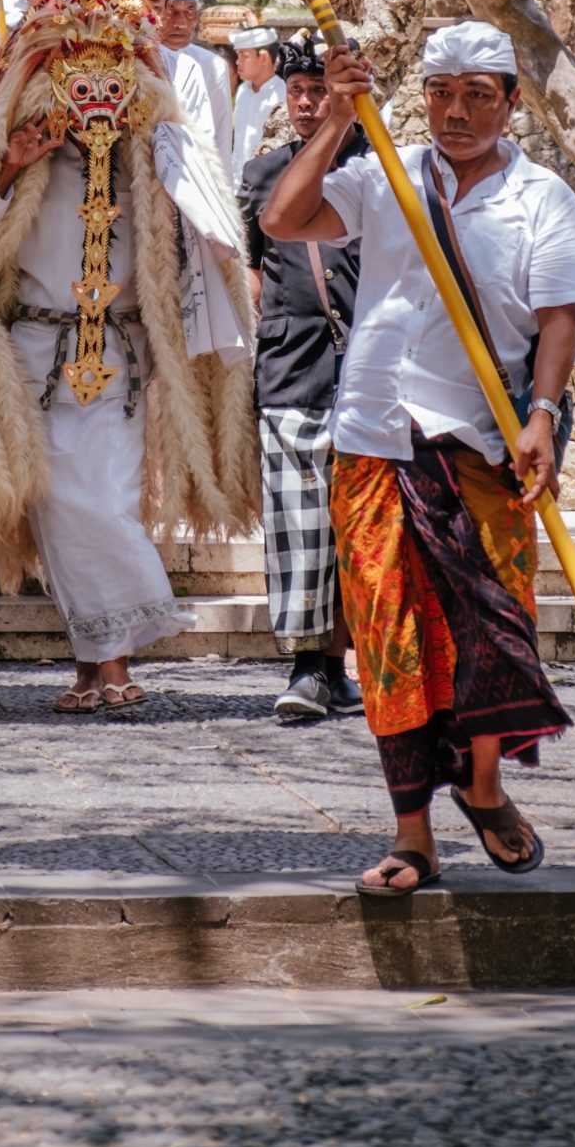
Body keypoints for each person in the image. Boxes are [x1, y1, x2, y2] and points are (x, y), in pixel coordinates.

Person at [261, 19, 575, 894]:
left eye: (476, 96)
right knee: (387, 640)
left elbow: (558, 317)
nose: (455, 113)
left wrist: (542, 416)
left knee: (493, 627)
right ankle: (413, 836)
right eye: (440, 94)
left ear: (510, 104)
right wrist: (338, 114)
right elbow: (282, 216)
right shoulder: (386, 173)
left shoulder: (543, 198)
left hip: (482, 442)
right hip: (372, 436)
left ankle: (483, 786)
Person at [0, 0, 260, 715]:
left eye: (112, 73)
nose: (93, 94)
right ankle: (98, 665)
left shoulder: (154, 161)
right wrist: (7, 166)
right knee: (61, 506)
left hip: (123, 358)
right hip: (34, 356)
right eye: (75, 72)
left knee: (110, 501)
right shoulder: (8, 157)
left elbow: (206, 236)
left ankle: (111, 662)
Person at [240, 39, 362, 722]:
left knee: (362, 529)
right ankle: (308, 665)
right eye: (298, 92)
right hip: (292, 369)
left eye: (319, 90)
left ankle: (352, 661)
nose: (308, 103)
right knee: (298, 527)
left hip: (369, 376)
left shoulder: (379, 173)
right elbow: (254, 278)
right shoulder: (263, 175)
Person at [147, 0, 233, 161]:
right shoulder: (137, 60)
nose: (181, 24)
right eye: (172, 12)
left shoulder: (212, 66)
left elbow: (221, 140)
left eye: (190, 11)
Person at [230, 24, 287, 184]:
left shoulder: (284, 93)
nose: (237, 62)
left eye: (244, 56)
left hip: (268, 184)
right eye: (237, 55)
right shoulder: (242, 90)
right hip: (237, 183)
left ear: (263, 58)